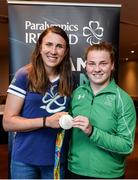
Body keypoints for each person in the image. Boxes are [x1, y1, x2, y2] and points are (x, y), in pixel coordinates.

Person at [3, 26, 75, 179]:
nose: (53, 51)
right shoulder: (24, 75)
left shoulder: (70, 80)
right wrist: (46, 121)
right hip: (24, 161)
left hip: (56, 160)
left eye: (59, 46)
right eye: (49, 44)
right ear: (40, 47)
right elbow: (8, 122)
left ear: (66, 51)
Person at [68, 41, 136, 179]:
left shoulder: (123, 99)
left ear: (112, 66)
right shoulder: (76, 94)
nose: (97, 69)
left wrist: (92, 131)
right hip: (74, 171)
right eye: (92, 63)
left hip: (108, 175)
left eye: (103, 63)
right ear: (86, 66)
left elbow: (127, 146)